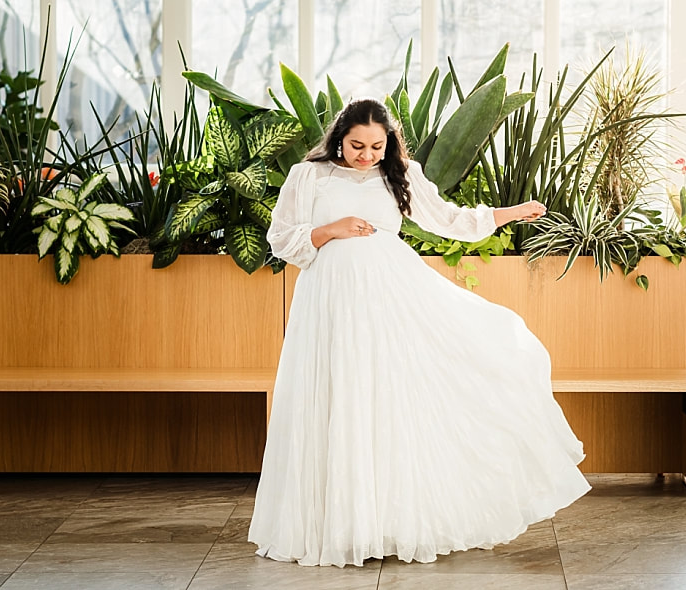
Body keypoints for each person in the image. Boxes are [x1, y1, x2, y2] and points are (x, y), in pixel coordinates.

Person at [249, 98, 590, 568]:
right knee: (333, 398)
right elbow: (282, 238)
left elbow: (448, 219)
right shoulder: (308, 176)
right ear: (338, 138)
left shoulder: (402, 173)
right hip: (328, 303)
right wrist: (329, 230)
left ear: (388, 143)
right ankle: (336, 525)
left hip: (391, 297)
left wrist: (508, 212)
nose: (366, 154)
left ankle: (390, 522)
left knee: (388, 400)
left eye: (376, 145)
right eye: (356, 145)